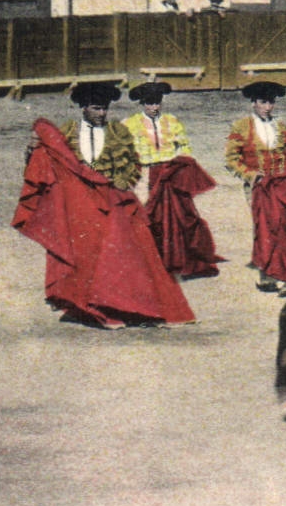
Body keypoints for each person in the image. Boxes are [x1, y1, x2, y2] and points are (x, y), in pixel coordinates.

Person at [15, 82, 194, 327]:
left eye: (104, 109)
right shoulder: (68, 132)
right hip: (79, 203)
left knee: (119, 254)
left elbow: (132, 166)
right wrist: (33, 151)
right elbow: (49, 161)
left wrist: (115, 183)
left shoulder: (118, 133)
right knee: (84, 255)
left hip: (112, 199)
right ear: (84, 108)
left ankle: (118, 306)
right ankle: (86, 306)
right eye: (96, 108)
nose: (101, 114)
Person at [124, 82, 222, 280]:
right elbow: (126, 152)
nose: (154, 107)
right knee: (149, 217)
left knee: (181, 217)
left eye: (157, 103)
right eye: (150, 103)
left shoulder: (171, 121)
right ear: (142, 103)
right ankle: (153, 265)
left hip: (171, 173)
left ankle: (179, 262)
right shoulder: (129, 123)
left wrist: (179, 162)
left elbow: (184, 146)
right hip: (146, 173)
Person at [225, 81, 286, 295]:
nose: (268, 107)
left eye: (271, 102)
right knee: (264, 228)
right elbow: (231, 159)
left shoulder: (281, 126)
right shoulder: (241, 127)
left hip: (282, 186)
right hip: (258, 186)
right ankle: (267, 276)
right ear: (253, 103)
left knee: (285, 226)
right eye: (263, 102)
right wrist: (251, 175)